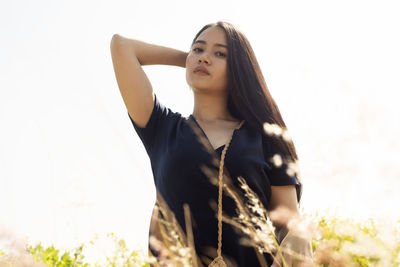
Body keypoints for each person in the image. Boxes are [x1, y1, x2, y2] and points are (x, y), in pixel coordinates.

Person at [110, 21, 312, 267]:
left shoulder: (265, 136)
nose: (204, 58)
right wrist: (188, 59)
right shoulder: (161, 128)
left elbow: (290, 226)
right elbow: (122, 46)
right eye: (199, 49)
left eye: (220, 53)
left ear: (237, 68)